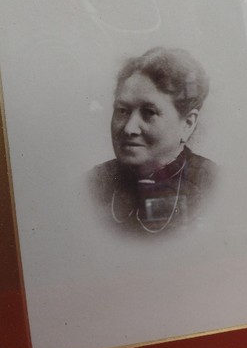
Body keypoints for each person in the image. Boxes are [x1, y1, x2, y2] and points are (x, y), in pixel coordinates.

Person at [88, 47, 218, 235]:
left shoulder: (213, 185)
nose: (129, 128)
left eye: (149, 112)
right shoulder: (93, 184)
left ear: (187, 124)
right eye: (122, 110)